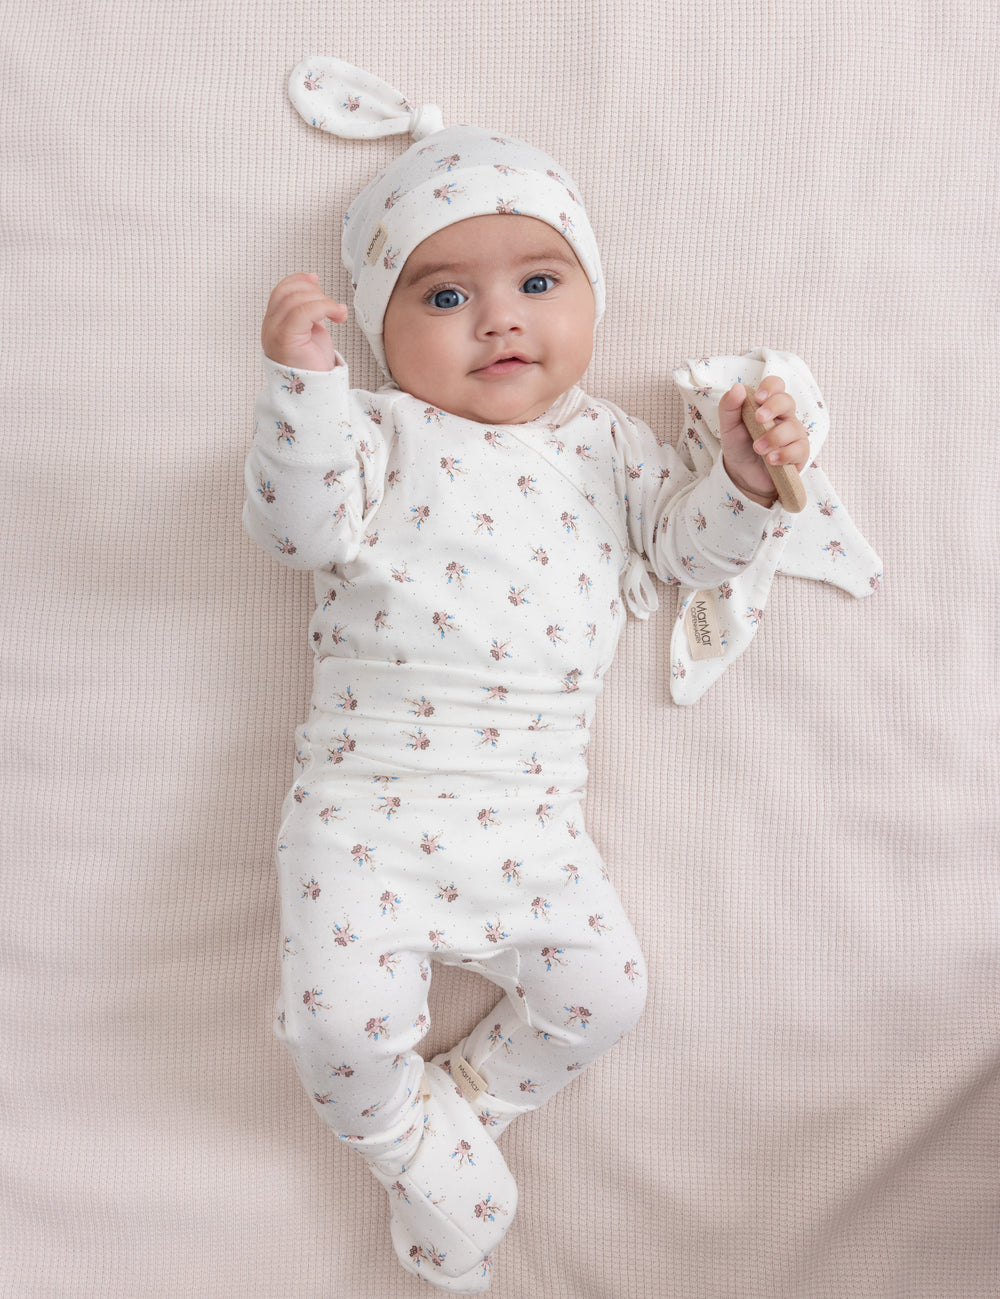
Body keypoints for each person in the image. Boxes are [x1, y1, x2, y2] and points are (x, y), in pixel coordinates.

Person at [244, 59, 813, 1294]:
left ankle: (453, 1115)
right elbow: (296, 529)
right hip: (365, 815)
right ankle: (412, 1143)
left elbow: (689, 554)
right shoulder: (377, 434)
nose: (499, 320)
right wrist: (303, 389)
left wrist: (743, 480)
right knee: (335, 1027)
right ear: (380, 327)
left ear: (592, 298)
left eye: (538, 283)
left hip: (529, 819)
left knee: (606, 995)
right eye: (445, 295)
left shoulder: (609, 447)